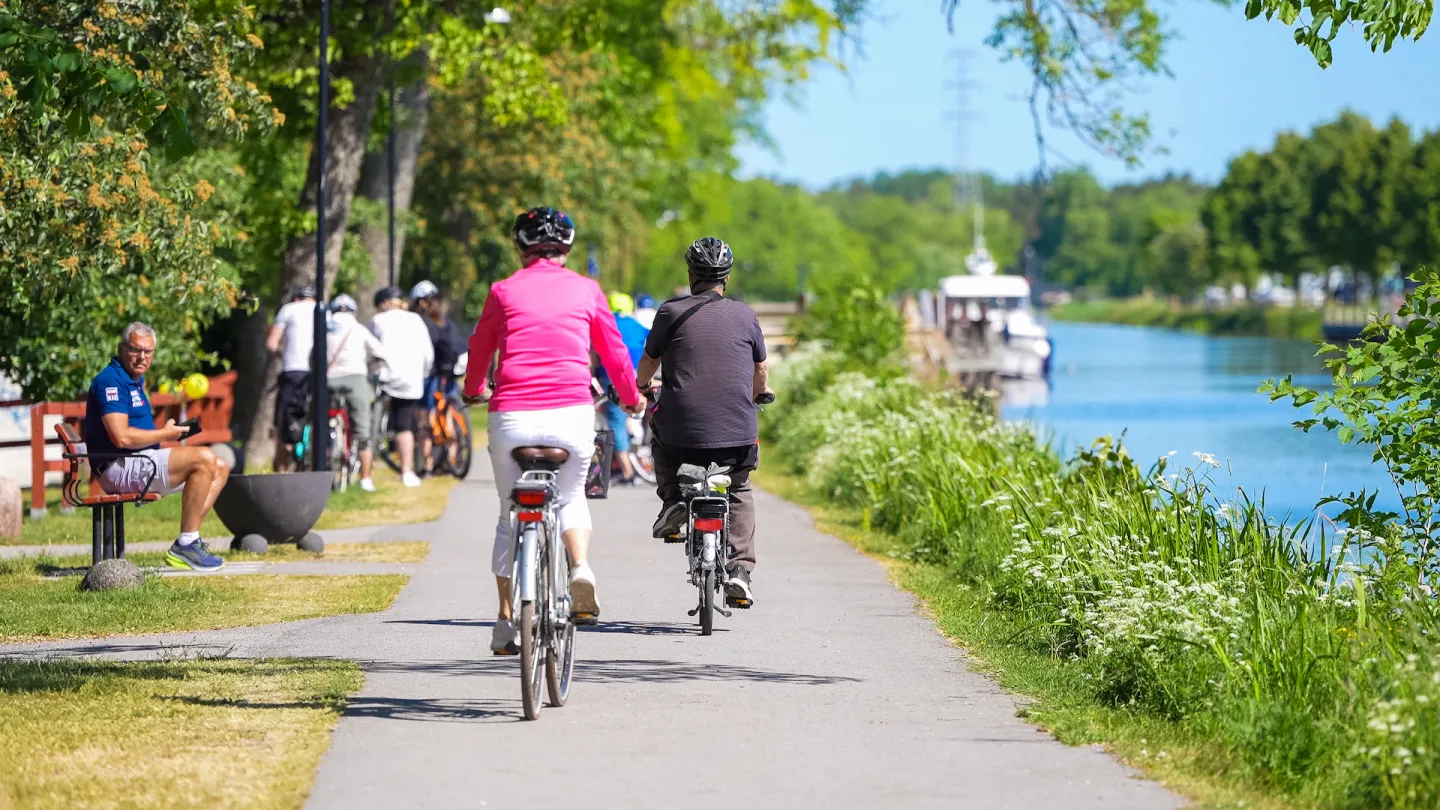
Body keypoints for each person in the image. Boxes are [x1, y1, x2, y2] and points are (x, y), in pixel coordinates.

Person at [464, 206, 643, 655]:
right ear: (566, 247)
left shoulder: (502, 290)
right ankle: (580, 566)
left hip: (511, 417)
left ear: (519, 246)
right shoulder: (587, 289)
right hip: (571, 415)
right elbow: (614, 352)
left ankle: (506, 621)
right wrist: (631, 397)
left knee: (509, 515)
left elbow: (480, 345)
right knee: (570, 496)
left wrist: (473, 388)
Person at [635, 236, 771, 605]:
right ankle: (740, 570)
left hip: (682, 431)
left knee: (660, 438)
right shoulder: (746, 315)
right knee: (739, 486)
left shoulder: (669, 312)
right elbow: (760, 368)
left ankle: (672, 501)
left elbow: (649, 362)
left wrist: (643, 385)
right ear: (726, 277)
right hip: (737, 432)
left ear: (691, 273)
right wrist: (759, 393)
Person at [86, 323, 230, 571]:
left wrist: (167, 433)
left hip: (141, 460)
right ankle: (187, 543)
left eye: (148, 351)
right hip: (117, 467)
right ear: (121, 349)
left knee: (220, 467)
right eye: (135, 350)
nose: (142, 357)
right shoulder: (111, 381)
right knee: (205, 457)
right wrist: (165, 433)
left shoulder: (134, 380)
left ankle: (189, 539)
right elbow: (121, 438)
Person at [370, 286, 434, 488]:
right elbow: (428, 354)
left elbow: (370, 349)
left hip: (386, 378)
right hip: (411, 379)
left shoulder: (378, 321)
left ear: (383, 304)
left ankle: (367, 469)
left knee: (372, 421)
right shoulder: (415, 320)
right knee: (404, 425)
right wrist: (422, 374)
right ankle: (407, 471)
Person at [326, 294, 389, 493]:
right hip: (355, 378)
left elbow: (312, 355)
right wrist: (371, 368)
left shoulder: (324, 328)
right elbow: (380, 353)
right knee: (363, 430)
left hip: (328, 379)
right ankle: (366, 479)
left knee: (321, 419)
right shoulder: (359, 329)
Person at [411, 280, 467, 476]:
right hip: (450, 374)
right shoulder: (447, 322)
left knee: (426, 421)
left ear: (420, 303)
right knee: (449, 414)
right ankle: (452, 460)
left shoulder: (421, 323)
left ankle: (427, 465)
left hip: (432, 374)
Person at [593, 291, 649, 484]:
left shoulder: (606, 324)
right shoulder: (636, 325)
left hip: (612, 374)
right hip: (639, 373)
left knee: (615, 419)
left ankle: (626, 471)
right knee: (633, 416)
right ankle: (640, 460)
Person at [266, 284, 317, 471]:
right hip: (317, 371)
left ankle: (282, 469)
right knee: (315, 417)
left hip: (293, 371)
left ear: (296, 298)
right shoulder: (323, 311)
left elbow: (271, 343)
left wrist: (281, 354)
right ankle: (312, 464)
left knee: (283, 422)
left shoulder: (288, 309)